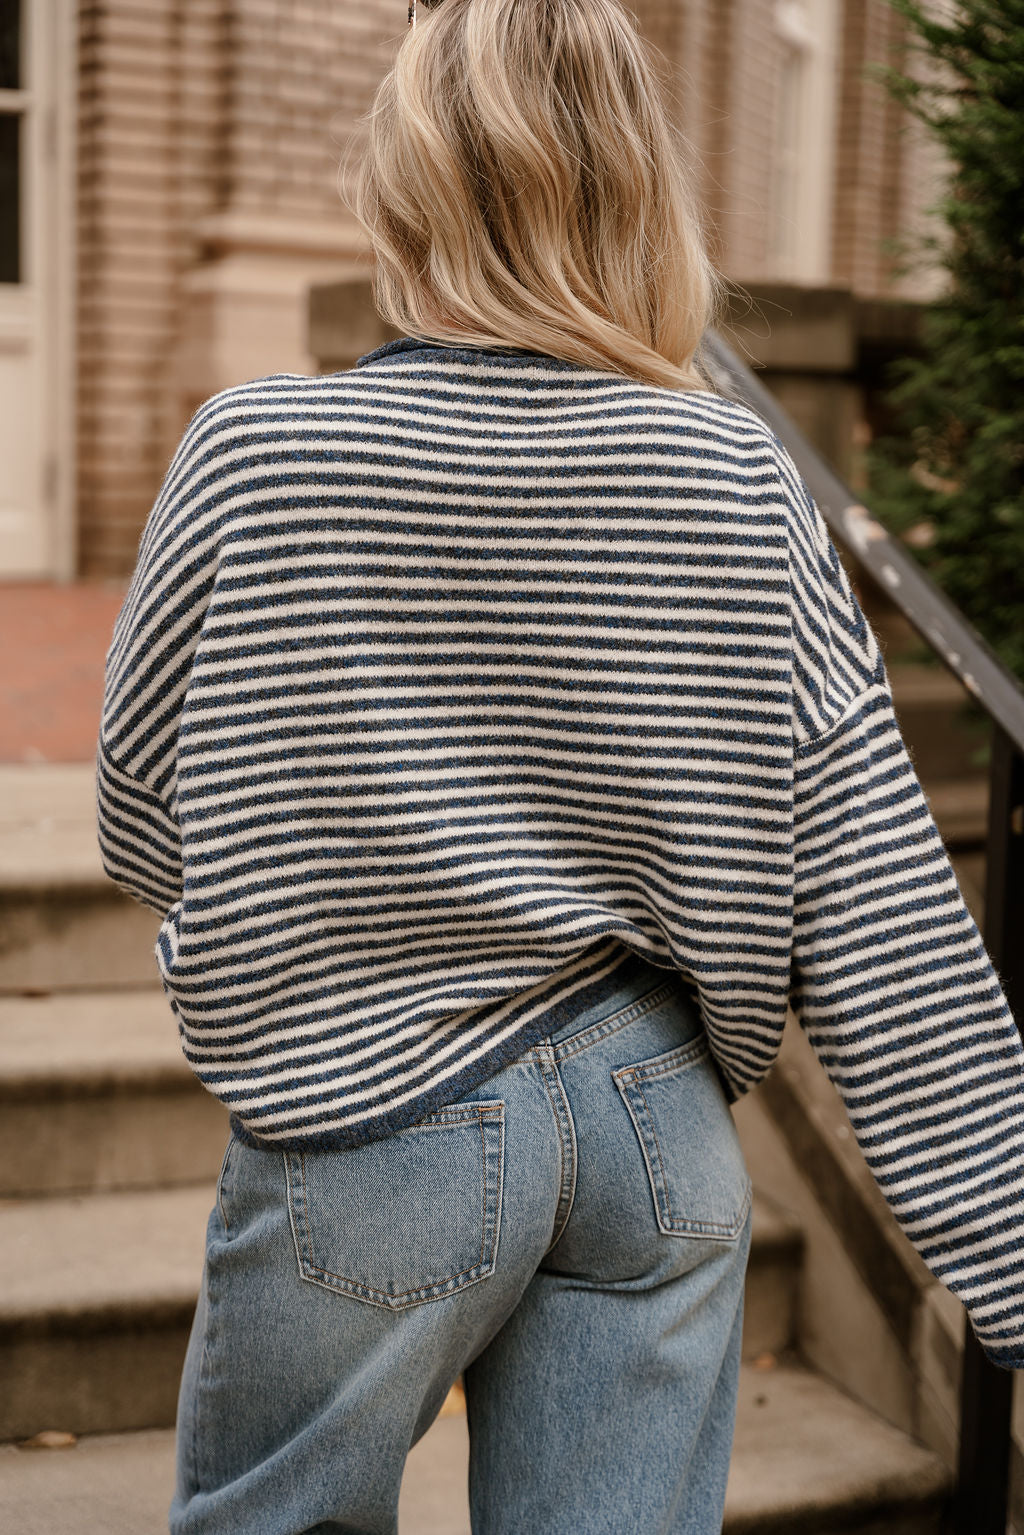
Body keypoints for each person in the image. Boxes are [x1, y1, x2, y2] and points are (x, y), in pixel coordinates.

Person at [96, 0, 1024, 1530]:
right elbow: (882, 916)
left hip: (361, 1119)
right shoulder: (742, 479)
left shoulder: (257, 454)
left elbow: (144, 812)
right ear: (636, 192)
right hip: (656, 1123)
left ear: (404, 187)